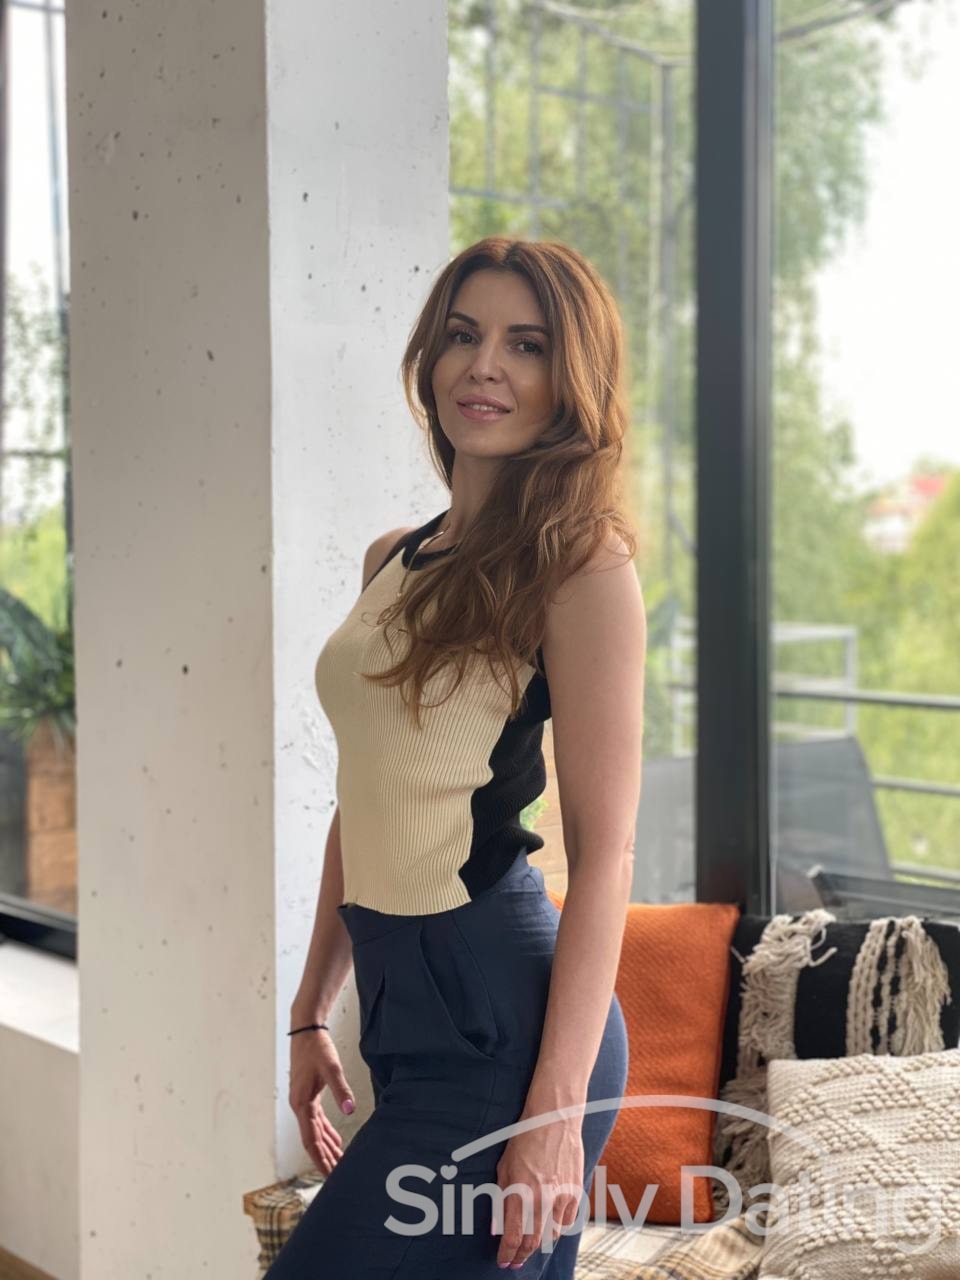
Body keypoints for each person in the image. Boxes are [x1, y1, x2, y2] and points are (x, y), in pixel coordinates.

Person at [264, 237, 646, 1278]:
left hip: (503, 1026)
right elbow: (366, 796)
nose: (485, 366)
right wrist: (310, 1011)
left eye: (526, 345)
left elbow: (606, 855)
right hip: (400, 1008)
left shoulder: (581, 563)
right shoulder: (393, 559)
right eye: (464, 335)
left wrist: (553, 1117)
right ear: (430, 357)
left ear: (570, 380)